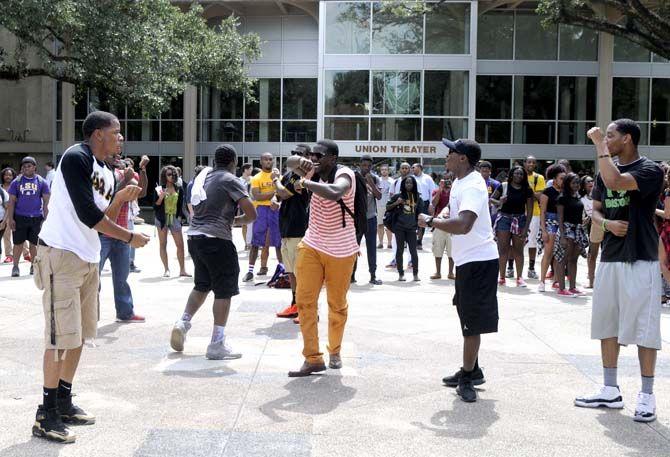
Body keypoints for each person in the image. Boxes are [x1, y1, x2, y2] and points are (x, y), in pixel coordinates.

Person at [32, 110, 149, 443]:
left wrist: (122, 197)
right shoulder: (76, 158)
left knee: (81, 334)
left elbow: (101, 215)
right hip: (60, 256)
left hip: (87, 258)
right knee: (58, 338)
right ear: (99, 134)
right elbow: (87, 215)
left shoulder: (108, 171)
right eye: (117, 132)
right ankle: (46, 414)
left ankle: (64, 401)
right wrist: (129, 237)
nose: (121, 138)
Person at [575, 120, 664, 423]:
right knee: (607, 324)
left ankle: (647, 395)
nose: (606, 139)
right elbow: (596, 208)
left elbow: (615, 182)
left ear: (627, 139)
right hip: (610, 257)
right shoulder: (605, 167)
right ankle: (610, 389)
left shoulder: (650, 170)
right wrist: (606, 224)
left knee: (644, 328)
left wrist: (599, 147)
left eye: (610, 136)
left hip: (641, 257)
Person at [418, 138, 499, 403]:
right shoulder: (459, 182)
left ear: (462, 158)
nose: (447, 156)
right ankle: (471, 368)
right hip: (467, 262)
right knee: (466, 315)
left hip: (479, 262)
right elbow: (455, 210)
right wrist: (440, 212)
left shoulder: (474, 185)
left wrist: (432, 221)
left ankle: (468, 377)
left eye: (451, 152)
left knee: (471, 323)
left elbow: (464, 224)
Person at [170, 144, 256, 360]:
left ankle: (183, 322)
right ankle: (217, 343)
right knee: (224, 290)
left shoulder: (203, 177)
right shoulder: (230, 179)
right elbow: (251, 213)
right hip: (217, 239)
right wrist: (236, 221)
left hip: (195, 237)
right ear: (233, 162)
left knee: (202, 284)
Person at [285, 139, 359, 377]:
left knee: (336, 305)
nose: (314, 158)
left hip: (342, 249)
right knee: (305, 302)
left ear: (333, 158)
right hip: (312, 243)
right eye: (312, 154)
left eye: (319, 155)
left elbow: (335, 192)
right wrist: (299, 161)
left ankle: (335, 350)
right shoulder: (311, 169)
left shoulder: (345, 174)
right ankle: (313, 358)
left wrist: (305, 181)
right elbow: (289, 163)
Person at [98, 152, 148, 323]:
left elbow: (141, 192)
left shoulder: (123, 174)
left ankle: (125, 312)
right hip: (102, 233)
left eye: (118, 155)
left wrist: (142, 170)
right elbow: (110, 196)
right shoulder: (100, 175)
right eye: (112, 155)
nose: (116, 156)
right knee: (93, 278)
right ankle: (91, 315)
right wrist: (125, 180)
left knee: (122, 277)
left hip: (121, 233)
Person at [273, 144, 311, 319]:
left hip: (298, 229)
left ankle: (307, 309)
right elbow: (279, 195)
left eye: (300, 154)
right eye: (294, 154)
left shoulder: (303, 176)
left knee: (302, 273)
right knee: (291, 271)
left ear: (307, 157)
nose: (296, 156)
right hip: (286, 228)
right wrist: (276, 194)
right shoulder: (289, 175)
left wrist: (275, 181)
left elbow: (284, 193)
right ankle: (295, 305)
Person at [6, 156, 51, 277]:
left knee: (33, 244)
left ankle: (33, 266)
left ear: (34, 167)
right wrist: (11, 219)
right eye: (24, 166)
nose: (26, 168)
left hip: (36, 218)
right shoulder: (17, 182)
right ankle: (15, 267)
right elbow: (11, 202)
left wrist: (46, 219)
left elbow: (47, 202)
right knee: (18, 244)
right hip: (20, 217)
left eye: (29, 166)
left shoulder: (41, 182)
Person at [490, 166, 533, 287]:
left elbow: (529, 211)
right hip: (504, 218)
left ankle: (519, 278)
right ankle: (502, 277)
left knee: (518, 250)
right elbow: (492, 199)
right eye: (516, 173)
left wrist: (526, 228)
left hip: (520, 220)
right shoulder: (503, 186)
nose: (518, 176)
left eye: (521, 174)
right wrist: (500, 202)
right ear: (512, 175)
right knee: (503, 250)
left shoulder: (527, 189)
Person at [243, 152, 282, 281]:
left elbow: (283, 194)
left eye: (271, 159)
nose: (268, 161)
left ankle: (282, 269)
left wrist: (277, 200)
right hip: (261, 211)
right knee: (256, 242)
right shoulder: (256, 178)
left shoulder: (278, 176)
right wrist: (275, 192)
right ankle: (250, 271)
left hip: (275, 210)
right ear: (260, 161)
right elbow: (257, 196)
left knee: (278, 242)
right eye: (266, 159)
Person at [554, 172, 588, 297]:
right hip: (567, 230)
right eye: (573, 182)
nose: (576, 185)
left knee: (574, 259)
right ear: (568, 183)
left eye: (578, 182)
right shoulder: (562, 197)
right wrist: (562, 236)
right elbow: (560, 218)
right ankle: (562, 288)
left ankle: (572, 287)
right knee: (562, 259)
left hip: (577, 230)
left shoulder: (577, 197)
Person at [154, 165, 189, 278]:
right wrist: (161, 197)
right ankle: (166, 269)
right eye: (169, 174)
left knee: (180, 245)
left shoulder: (179, 188)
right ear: (164, 176)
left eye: (173, 174)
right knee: (163, 244)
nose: (172, 176)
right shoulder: (159, 188)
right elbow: (155, 206)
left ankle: (182, 270)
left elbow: (181, 206)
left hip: (174, 218)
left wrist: (180, 218)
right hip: (162, 218)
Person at [352, 155, 382, 285]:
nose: (366, 168)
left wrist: (371, 183)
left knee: (371, 248)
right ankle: (351, 275)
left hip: (371, 218)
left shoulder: (375, 178)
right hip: (356, 219)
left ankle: (373, 275)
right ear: (360, 165)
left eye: (369, 166)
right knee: (353, 248)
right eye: (364, 165)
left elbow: (379, 196)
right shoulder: (354, 177)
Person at [537, 164, 566, 292]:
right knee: (548, 253)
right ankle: (542, 281)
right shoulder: (547, 192)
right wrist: (543, 230)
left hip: (562, 224)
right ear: (554, 179)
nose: (563, 181)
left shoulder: (566, 192)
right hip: (549, 223)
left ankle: (555, 280)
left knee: (559, 254)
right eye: (561, 178)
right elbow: (542, 212)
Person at [387, 176, 420, 282]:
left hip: (411, 228)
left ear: (414, 185)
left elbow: (420, 213)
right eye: (406, 183)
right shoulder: (398, 196)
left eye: (411, 183)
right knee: (399, 250)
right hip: (399, 227)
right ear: (403, 184)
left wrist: (419, 228)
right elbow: (387, 207)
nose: (409, 185)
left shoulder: (417, 197)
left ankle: (415, 274)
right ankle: (401, 274)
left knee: (413, 251)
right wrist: (397, 203)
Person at [124, 156, 149, 273]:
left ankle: (130, 262)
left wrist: (143, 169)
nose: (128, 168)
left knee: (131, 238)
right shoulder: (116, 174)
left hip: (128, 215)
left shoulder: (133, 177)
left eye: (130, 166)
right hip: (113, 217)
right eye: (126, 165)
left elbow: (141, 191)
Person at [386, 162, 412, 269]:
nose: (404, 170)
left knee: (411, 239)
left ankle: (411, 261)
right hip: (397, 215)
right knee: (395, 239)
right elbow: (391, 198)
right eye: (403, 168)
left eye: (406, 168)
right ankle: (395, 260)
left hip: (410, 214)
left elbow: (418, 198)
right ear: (400, 170)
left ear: (409, 170)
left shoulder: (414, 182)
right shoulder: (395, 182)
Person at [524, 156, 546, 280]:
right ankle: (510, 268)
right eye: (529, 162)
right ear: (524, 163)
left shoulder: (539, 178)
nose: (531, 164)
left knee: (532, 241)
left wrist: (526, 193)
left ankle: (531, 268)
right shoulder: (519, 175)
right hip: (518, 212)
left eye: (533, 162)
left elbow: (540, 195)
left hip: (535, 213)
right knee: (513, 241)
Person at [430, 172, 455, 280]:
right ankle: (438, 272)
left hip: (453, 222)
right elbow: (434, 204)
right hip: (439, 223)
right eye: (445, 180)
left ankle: (451, 272)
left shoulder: (455, 191)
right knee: (437, 248)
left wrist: (453, 188)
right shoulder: (436, 191)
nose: (447, 182)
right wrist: (440, 190)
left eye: (449, 179)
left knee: (452, 249)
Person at [412, 163, 437, 249]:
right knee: (413, 221)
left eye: (413, 167)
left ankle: (419, 242)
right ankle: (412, 240)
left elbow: (433, 192)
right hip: (413, 202)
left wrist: (431, 204)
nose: (412, 169)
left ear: (419, 168)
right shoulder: (412, 178)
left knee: (422, 221)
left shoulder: (428, 178)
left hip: (424, 203)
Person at [580, 175, 598, 289]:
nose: (591, 183)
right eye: (588, 182)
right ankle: (591, 281)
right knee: (592, 254)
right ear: (583, 185)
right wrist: (583, 221)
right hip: (592, 225)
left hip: (604, 223)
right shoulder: (581, 199)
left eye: (592, 181)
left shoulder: (600, 194)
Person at [1, 167, 17, 263]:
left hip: (17, 213)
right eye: (6, 175)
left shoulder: (16, 186)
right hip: (5, 214)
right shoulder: (0, 188)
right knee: (6, 235)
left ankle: (26, 254)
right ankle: (9, 255)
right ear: (3, 176)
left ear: (13, 176)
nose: (8, 176)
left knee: (19, 234)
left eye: (10, 175)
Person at [376, 164, 394, 249]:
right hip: (379, 205)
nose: (384, 171)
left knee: (389, 225)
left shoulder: (392, 181)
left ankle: (390, 243)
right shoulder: (377, 180)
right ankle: (380, 242)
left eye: (385, 170)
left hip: (389, 206)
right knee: (380, 225)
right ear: (380, 171)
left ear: (388, 171)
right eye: (382, 169)